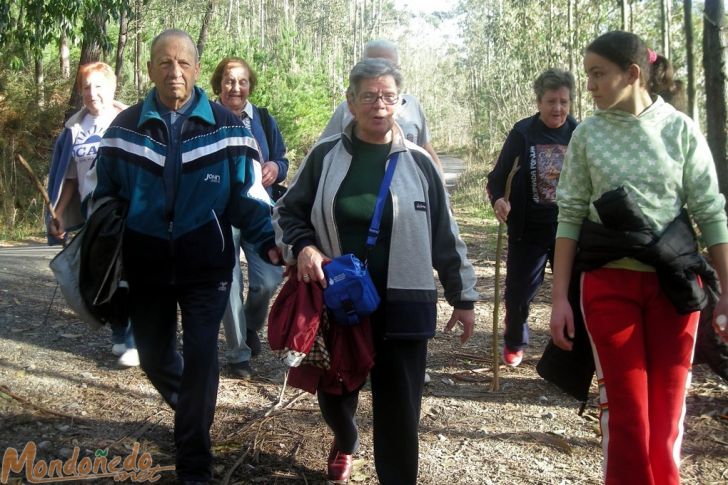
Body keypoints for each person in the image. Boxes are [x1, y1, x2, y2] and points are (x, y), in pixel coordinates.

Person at [87, 29, 280, 484]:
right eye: (164, 63)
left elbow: (248, 199)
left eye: (183, 63)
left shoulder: (230, 129)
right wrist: (101, 242)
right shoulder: (125, 129)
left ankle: (195, 460)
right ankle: (193, 414)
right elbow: (105, 196)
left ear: (196, 68)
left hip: (206, 265)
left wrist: (269, 242)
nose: (174, 72)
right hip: (146, 263)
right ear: (150, 68)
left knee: (200, 356)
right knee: (154, 357)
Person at [273, 58, 478, 484]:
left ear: (400, 103)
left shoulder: (420, 164)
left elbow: (445, 234)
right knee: (334, 398)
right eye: (368, 96)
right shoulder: (324, 157)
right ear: (350, 102)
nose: (379, 105)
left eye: (388, 97)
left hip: (405, 306)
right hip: (340, 304)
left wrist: (464, 296)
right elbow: (286, 213)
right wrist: (304, 248)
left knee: (399, 412)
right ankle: (346, 440)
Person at [549, 31, 728, 485]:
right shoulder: (588, 134)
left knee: (667, 419)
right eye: (587, 74)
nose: (588, 85)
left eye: (598, 74)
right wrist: (559, 299)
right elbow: (569, 216)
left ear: (632, 75)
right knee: (628, 417)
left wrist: (727, 293)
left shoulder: (680, 129)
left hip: (675, 288)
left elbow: (710, 212)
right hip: (607, 287)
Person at [45, 62, 138, 368]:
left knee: (127, 274)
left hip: (124, 209)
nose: (92, 93)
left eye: (98, 86)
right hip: (91, 211)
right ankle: (118, 331)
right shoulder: (74, 129)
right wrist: (57, 213)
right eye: (86, 87)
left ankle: (134, 339)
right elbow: (69, 179)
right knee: (102, 275)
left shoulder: (128, 121)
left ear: (112, 89)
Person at [486, 68, 577, 367]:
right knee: (519, 292)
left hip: (570, 228)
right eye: (551, 101)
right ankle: (514, 341)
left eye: (564, 101)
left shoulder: (579, 134)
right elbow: (497, 177)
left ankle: (569, 348)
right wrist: (499, 199)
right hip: (529, 229)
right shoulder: (523, 134)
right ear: (539, 102)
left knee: (575, 292)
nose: (558, 108)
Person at [210, 57, 287, 379]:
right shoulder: (207, 119)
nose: (236, 87)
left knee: (268, 280)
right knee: (228, 283)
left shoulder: (264, 119)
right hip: (221, 214)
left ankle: (251, 325)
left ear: (250, 86)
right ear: (218, 85)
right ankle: (238, 352)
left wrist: (275, 168)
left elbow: (281, 158)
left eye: (242, 81)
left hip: (259, 210)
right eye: (229, 81)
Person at [319, 39, 442, 168]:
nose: (381, 72)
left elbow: (426, 148)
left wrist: (441, 184)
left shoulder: (412, 105)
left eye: (390, 67)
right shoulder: (345, 110)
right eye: (374, 65)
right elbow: (324, 155)